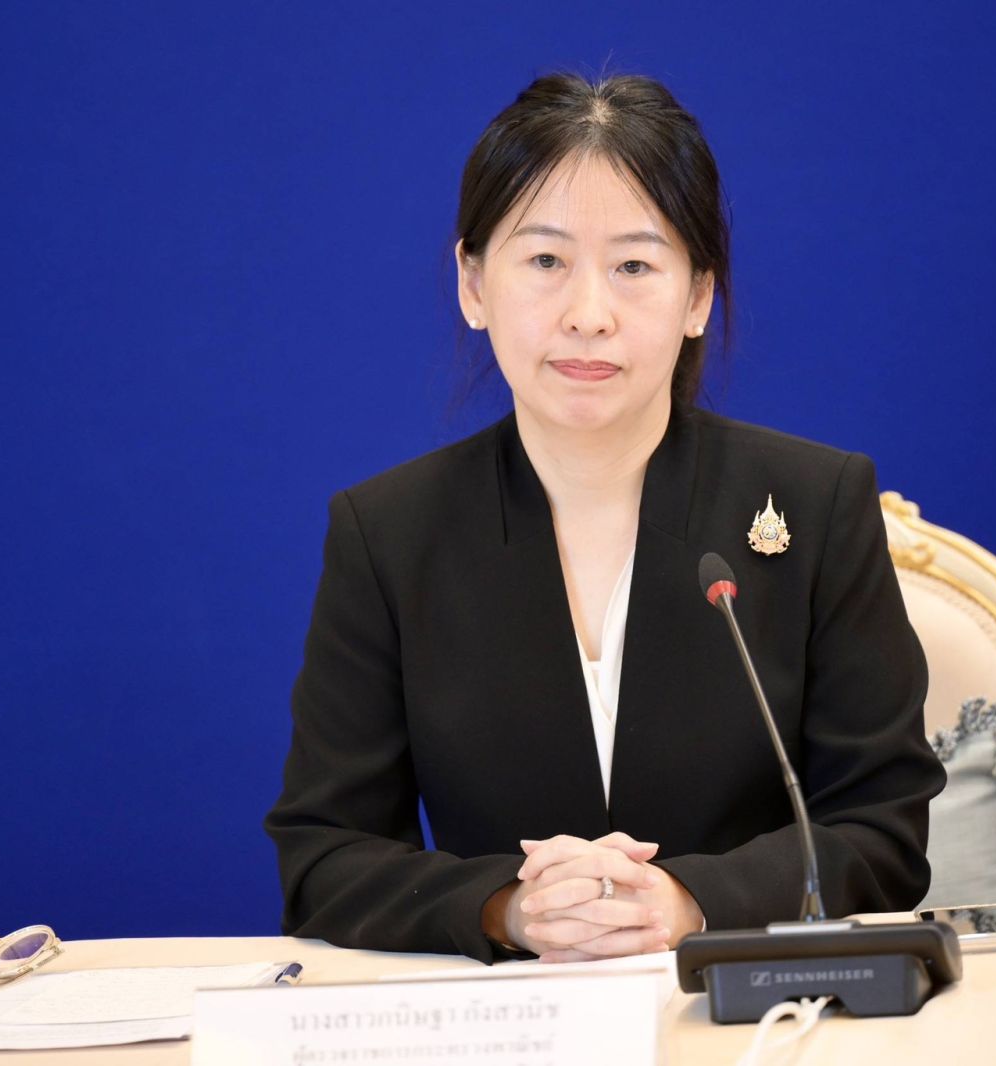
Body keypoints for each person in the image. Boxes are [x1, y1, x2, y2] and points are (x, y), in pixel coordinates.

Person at [264, 70, 946, 965]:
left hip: (754, 1013)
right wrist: (508, 909)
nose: (589, 316)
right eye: (545, 262)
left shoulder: (815, 505)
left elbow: (884, 832)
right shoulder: (387, 534)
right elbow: (323, 858)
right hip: (505, 1019)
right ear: (473, 284)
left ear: (697, 295)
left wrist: (693, 902)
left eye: (634, 266)